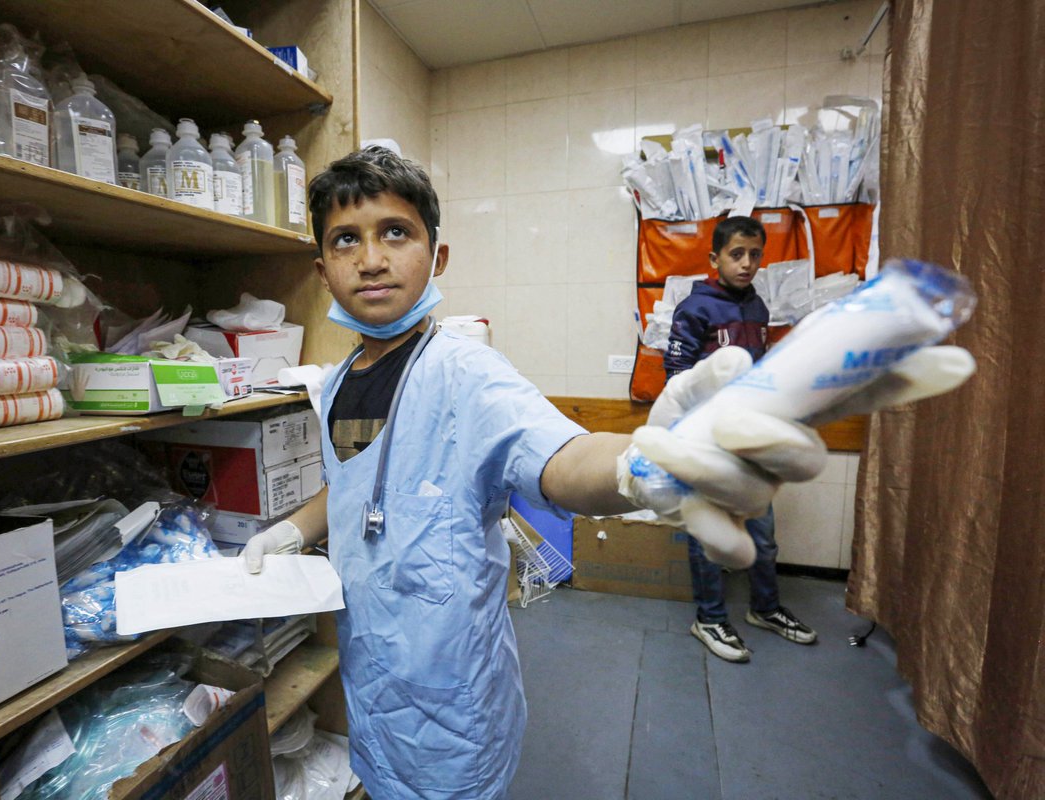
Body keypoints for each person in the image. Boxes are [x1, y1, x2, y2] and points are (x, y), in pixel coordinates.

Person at [241, 148, 969, 799]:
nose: (371, 258)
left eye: (395, 232)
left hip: (449, 698)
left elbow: (562, 461)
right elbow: (359, 482)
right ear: (322, 269)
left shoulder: (467, 376)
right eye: (346, 239)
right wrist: (288, 531)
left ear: (439, 255)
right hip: (370, 677)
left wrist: (637, 464)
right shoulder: (334, 387)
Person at [664, 215, 815, 664]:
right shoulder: (696, 309)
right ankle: (709, 617)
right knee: (709, 534)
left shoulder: (758, 309)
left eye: (754, 255)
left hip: (749, 441)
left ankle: (764, 608)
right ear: (714, 259)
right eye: (736, 254)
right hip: (706, 441)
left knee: (762, 534)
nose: (747, 263)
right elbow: (676, 379)